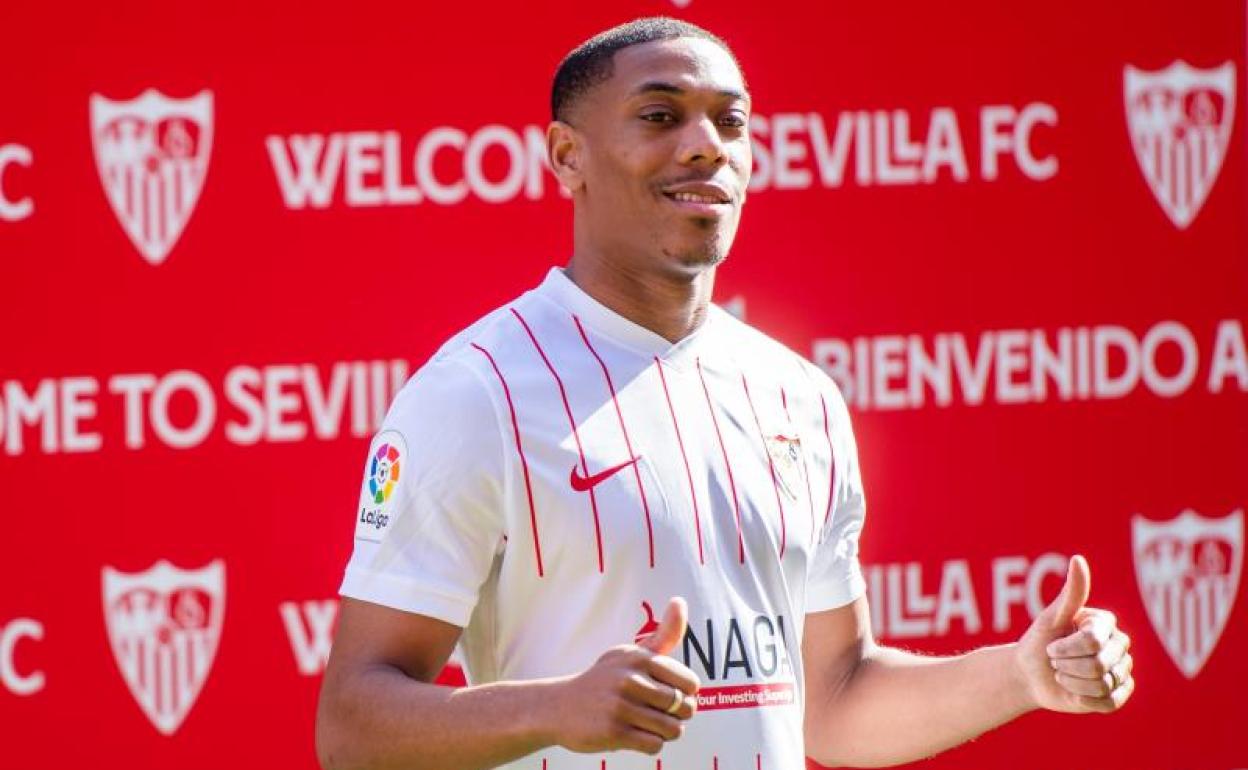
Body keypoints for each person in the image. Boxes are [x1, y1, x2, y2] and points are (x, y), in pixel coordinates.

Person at [315, 17, 1134, 770]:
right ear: (568, 156)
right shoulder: (477, 390)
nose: (706, 146)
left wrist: (1022, 676)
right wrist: (555, 710)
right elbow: (352, 726)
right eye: (661, 116)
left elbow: (835, 703)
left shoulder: (799, 395)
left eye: (730, 121)